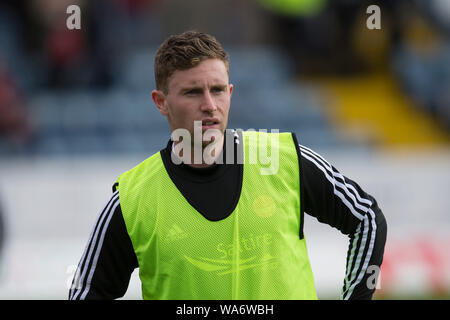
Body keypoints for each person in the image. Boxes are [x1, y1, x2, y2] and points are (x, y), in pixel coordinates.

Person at [69, 31, 387, 300]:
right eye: (193, 92)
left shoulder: (284, 159)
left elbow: (367, 218)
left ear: (230, 93)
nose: (209, 105)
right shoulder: (133, 198)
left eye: (217, 90)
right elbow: (86, 290)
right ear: (160, 102)